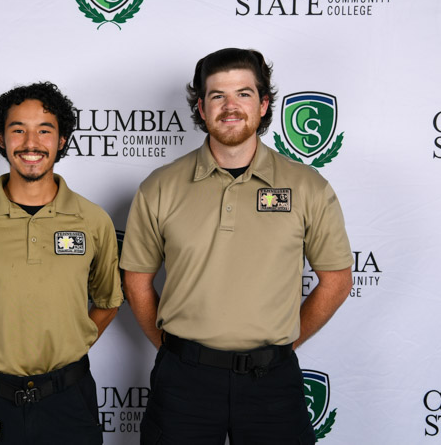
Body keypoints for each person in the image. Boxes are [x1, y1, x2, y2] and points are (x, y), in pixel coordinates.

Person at [120, 48, 353, 444]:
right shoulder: (160, 187)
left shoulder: (308, 187)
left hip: (272, 383)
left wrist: (284, 343)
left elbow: (337, 280)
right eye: (217, 96)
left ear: (263, 105)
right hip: (183, 382)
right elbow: (137, 283)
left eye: (243, 94)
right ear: (201, 107)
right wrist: (174, 350)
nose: (231, 107)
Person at [0, 82, 123, 444]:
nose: (31, 142)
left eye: (44, 130)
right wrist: (2, 349)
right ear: (0, 139)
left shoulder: (93, 220)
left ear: (63, 140)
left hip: (69, 398)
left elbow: (107, 302)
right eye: (18, 129)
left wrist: (69, 342)